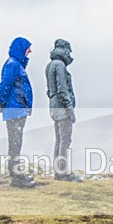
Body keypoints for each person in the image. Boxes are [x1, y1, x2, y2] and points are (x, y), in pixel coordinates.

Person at [0, 36, 35, 188]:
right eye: (27, 48)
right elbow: (5, 85)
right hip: (14, 110)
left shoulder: (16, 65)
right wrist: (0, 102)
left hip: (17, 110)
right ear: (21, 48)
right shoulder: (13, 64)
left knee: (16, 143)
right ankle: (17, 178)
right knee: (15, 144)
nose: (29, 51)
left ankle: (17, 175)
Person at [45, 38, 81, 182]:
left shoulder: (50, 65)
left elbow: (50, 90)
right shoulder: (59, 65)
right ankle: (63, 173)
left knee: (59, 140)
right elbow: (63, 89)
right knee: (65, 140)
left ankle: (59, 171)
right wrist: (70, 109)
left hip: (53, 106)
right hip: (61, 107)